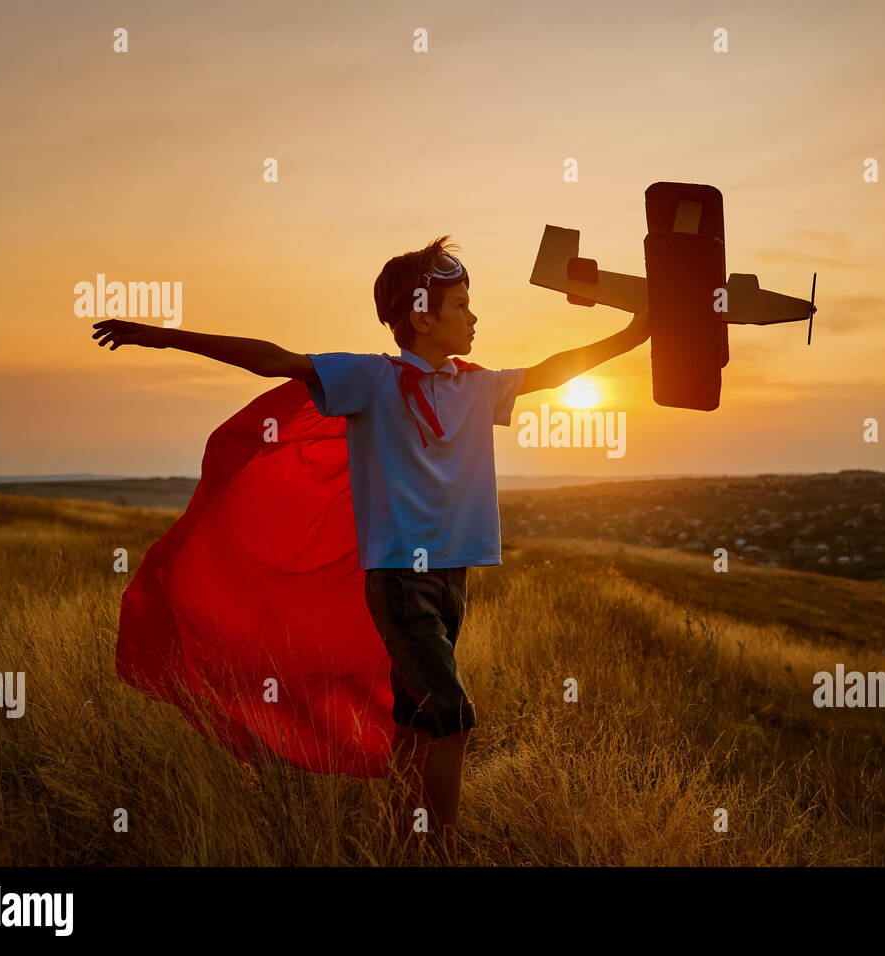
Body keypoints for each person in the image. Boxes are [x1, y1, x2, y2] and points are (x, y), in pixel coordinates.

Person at [92, 235, 650, 864]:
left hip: (451, 578)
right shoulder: (372, 379)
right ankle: (443, 850)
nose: (474, 317)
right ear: (421, 316)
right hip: (400, 582)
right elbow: (276, 360)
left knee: (414, 720)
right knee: (452, 717)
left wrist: (636, 333)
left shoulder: (476, 387)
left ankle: (399, 838)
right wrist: (165, 336)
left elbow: (557, 370)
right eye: (462, 305)